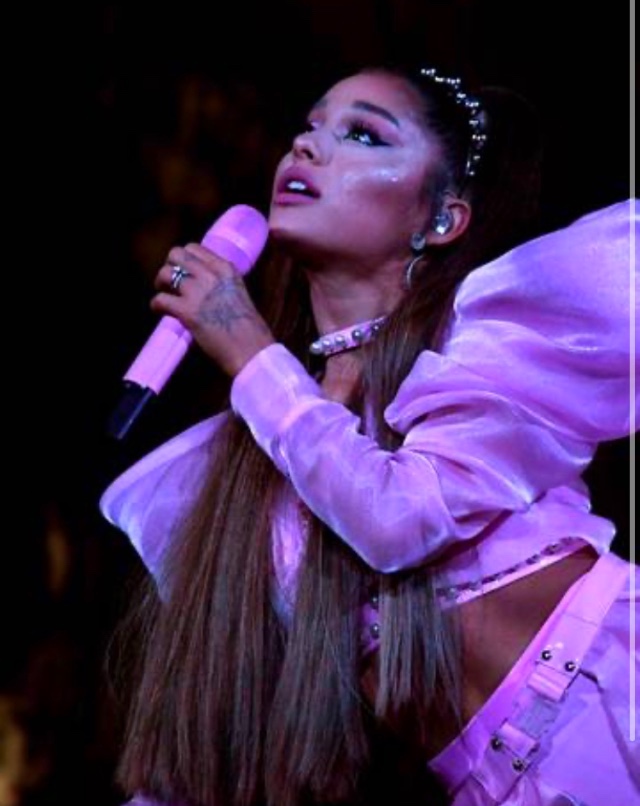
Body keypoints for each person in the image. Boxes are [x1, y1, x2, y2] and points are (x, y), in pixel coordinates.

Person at [100, 62, 638, 806]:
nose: (306, 146)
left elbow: (399, 517)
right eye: (309, 127)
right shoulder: (252, 461)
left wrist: (249, 351)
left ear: (442, 219)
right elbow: (211, 755)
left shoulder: (491, 348)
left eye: (362, 135)